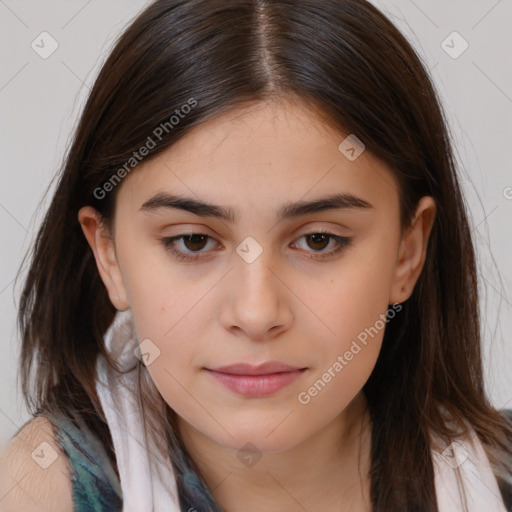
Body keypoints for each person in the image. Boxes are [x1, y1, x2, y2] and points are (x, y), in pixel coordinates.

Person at [1, 0, 511, 511]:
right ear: (108, 255)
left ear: (408, 252)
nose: (256, 313)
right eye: (193, 241)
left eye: (318, 240)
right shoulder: (33, 495)